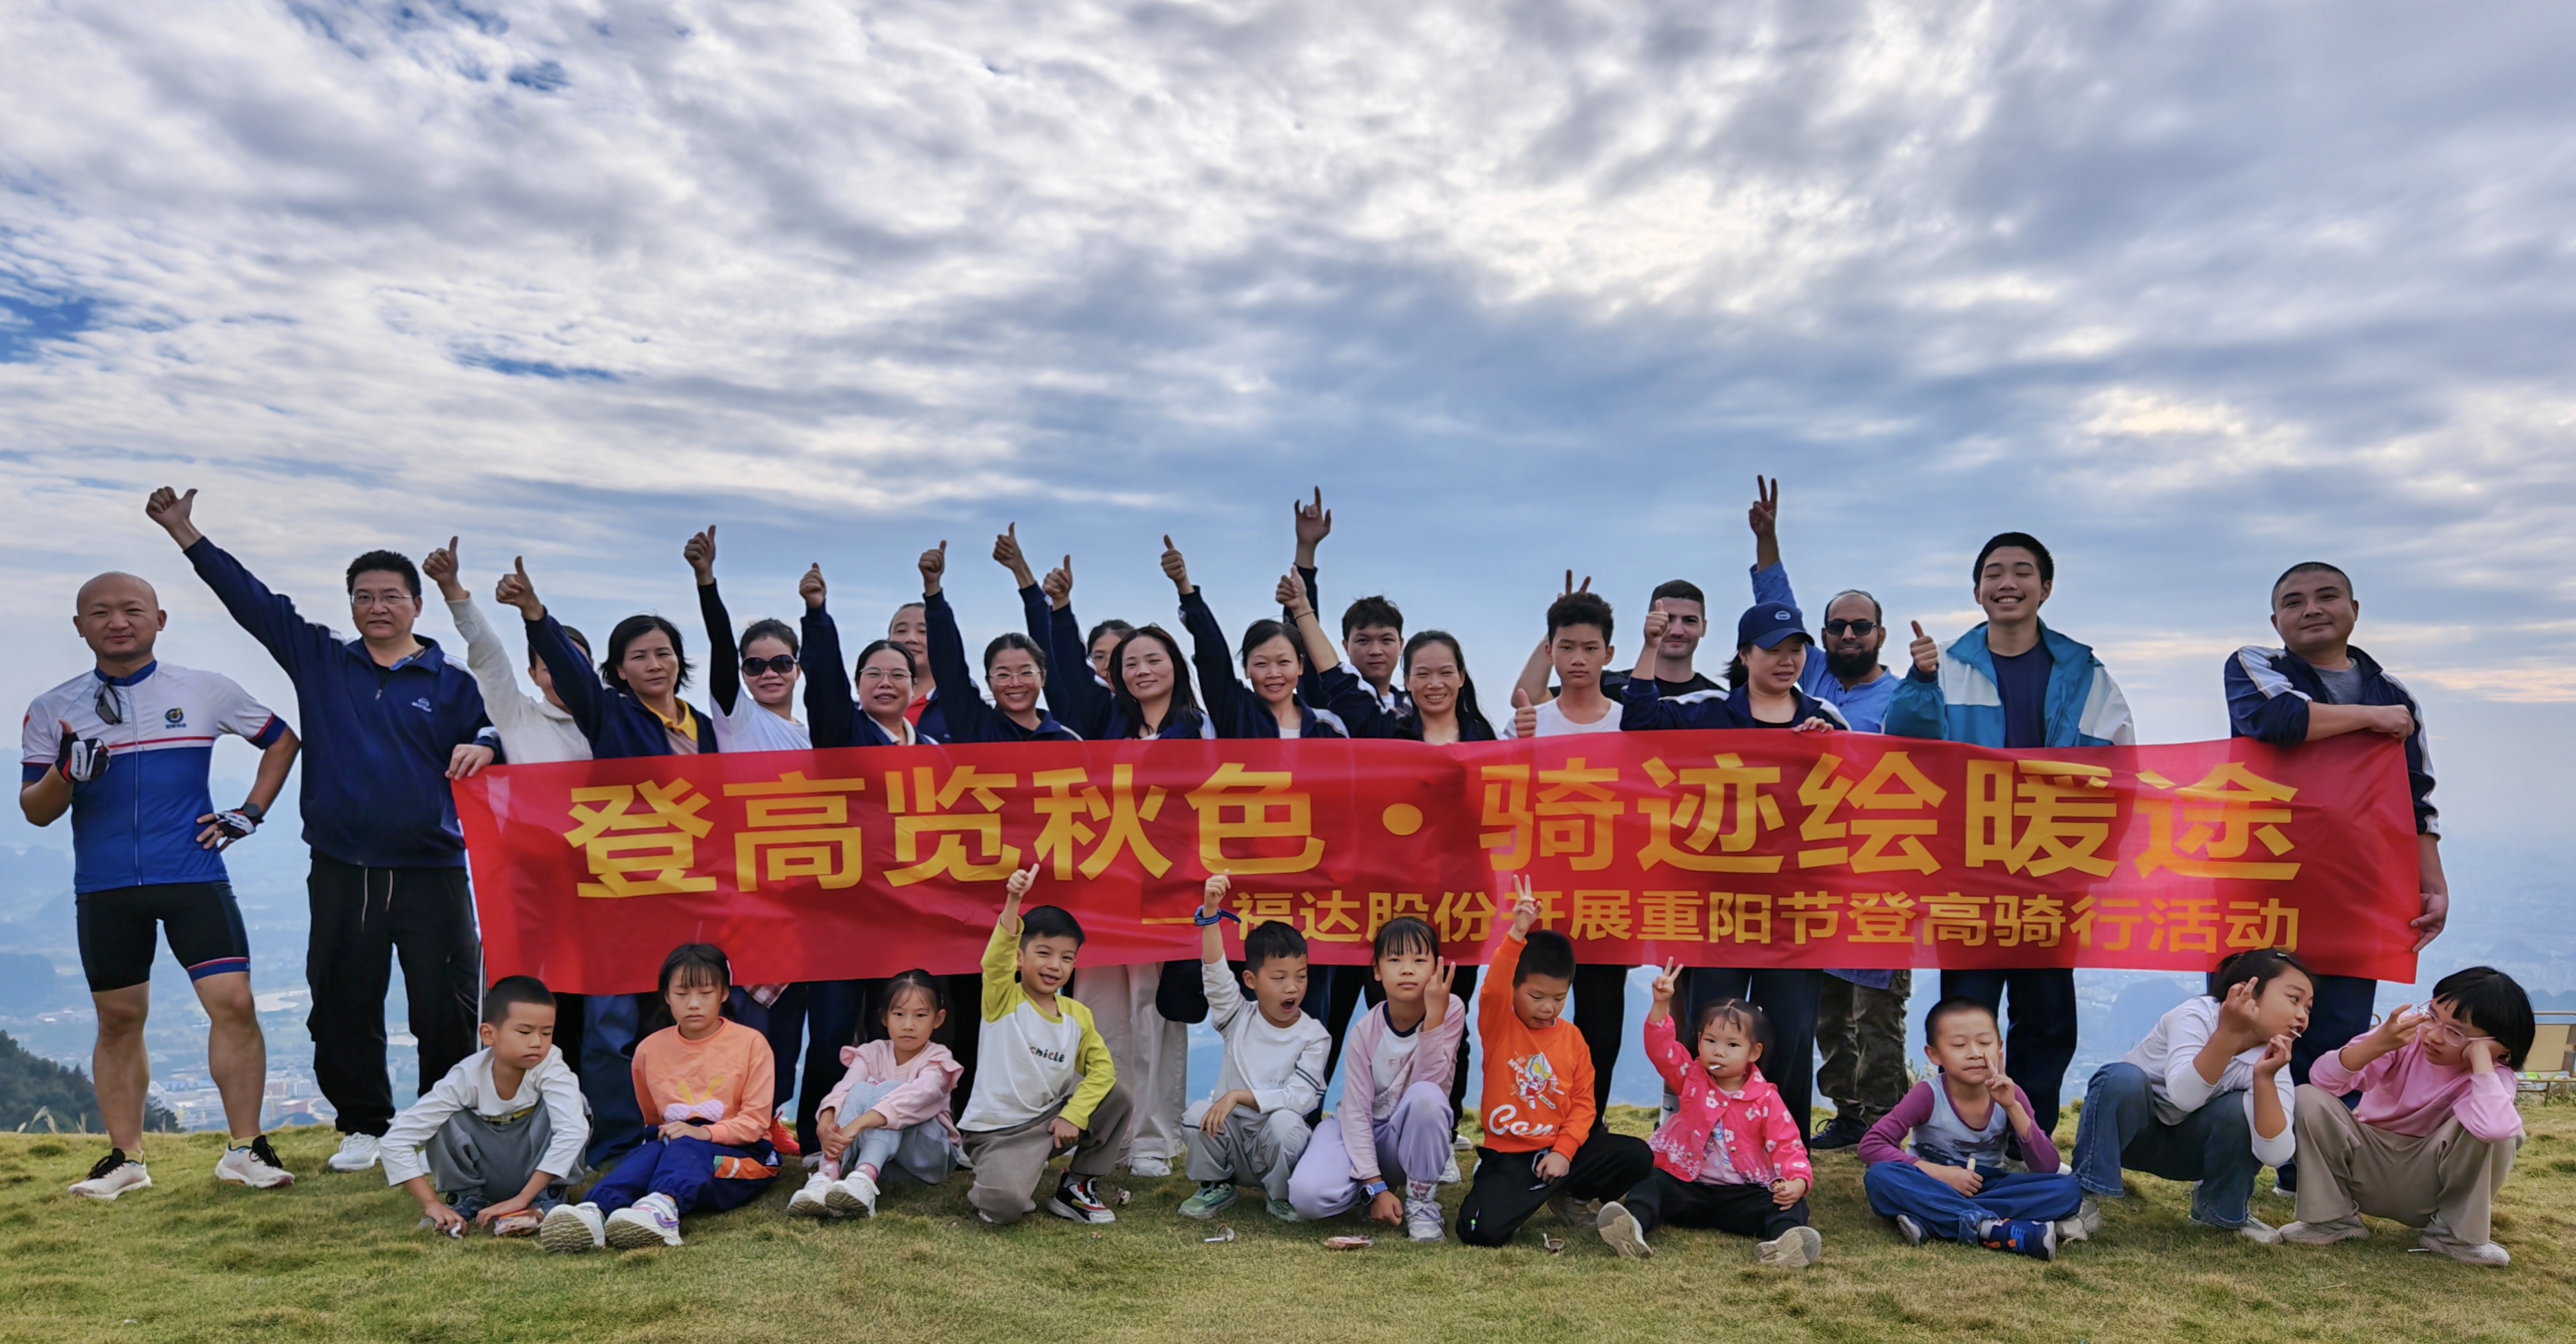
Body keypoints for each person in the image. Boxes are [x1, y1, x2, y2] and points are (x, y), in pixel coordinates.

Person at [147, 487, 495, 1176]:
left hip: (432, 868)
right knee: (341, 1000)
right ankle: (364, 1125)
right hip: (343, 865)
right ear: (351, 605)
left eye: (391, 595)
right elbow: (253, 602)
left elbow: (500, 725)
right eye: (363, 596)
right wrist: (186, 533)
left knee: (447, 1005)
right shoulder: (321, 660)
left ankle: (443, 1123)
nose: (377, 606)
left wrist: (485, 742)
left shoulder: (453, 682)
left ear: (416, 605)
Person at [29, 571, 301, 1200]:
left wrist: (250, 813)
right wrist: (65, 774)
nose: (117, 621)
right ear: (80, 627)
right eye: (101, 612)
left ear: (160, 620)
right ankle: (125, 1159)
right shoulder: (52, 709)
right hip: (107, 885)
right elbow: (36, 811)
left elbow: (282, 741)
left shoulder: (202, 689)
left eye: (132, 609)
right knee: (118, 1019)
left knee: (234, 1003)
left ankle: (245, 1149)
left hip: (193, 874)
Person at [1887, 532, 2134, 1136]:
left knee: (2047, 1016)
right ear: (1977, 590)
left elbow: (2120, 772)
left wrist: (2089, 860)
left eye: (2023, 571)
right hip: (1968, 874)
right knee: (1966, 1016)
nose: (2008, 583)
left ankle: (2031, 1139)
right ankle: (1961, 1139)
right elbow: (1905, 746)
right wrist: (1920, 682)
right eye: (1994, 572)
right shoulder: (1945, 665)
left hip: (2050, 873)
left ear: (2045, 588)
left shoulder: (2085, 673)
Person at [2225, 560, 2448, 1198]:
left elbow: (2415, 799)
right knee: (2253, 1024)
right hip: (2265, 882)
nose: (2312, 609)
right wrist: (2373, 723)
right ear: (2276, 621)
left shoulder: (2393, 692)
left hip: (2356, 888)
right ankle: (2231, 1172)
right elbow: (2277, 721)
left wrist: (2431, 883)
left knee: (2337, 1033)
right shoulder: (2255, 664)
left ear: (2354, 610)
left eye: (2327, 596)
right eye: (2294, 602)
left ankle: (2312, 1178)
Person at [495, 554, 723, 1167]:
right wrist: (536, 615)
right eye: (639, 656)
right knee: (610, 1026)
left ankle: (683, 1130)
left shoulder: (704, 727)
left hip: (689, 894)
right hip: (619, 894)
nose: (655, 664)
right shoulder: (612, 714)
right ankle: (617, 1143)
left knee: (680, 1018)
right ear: (618, 670)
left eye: (664, 653)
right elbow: (571, 676)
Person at [1621, 600, 1840, 1145]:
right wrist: (1649, 647)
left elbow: (1856, 804)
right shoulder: (1710, 711)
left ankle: (1786, 1152)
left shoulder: (1825, 719)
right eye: (1772, 650)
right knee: (1714, 1030)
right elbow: (1639, 725)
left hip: (1794, 909)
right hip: (1715, 907)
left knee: (1789, 1032)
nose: (1786, 660)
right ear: (1745, 655)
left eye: (1796, 650)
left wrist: (1830, 752)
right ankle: (1707, 1144)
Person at [2281, 967, 2531, 1266]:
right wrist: (2377, 1044)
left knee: (2504, 1128)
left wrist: (2482, 1061)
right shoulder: (2406, 1038)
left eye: (2455, 1032)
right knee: (2307, 1098)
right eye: (2433, 1016)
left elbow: (2496, 1130)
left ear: (2498, 1046)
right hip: (2368, 1162)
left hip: (2431, 1182)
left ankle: (2455, 1236)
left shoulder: (2493, 1078)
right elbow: (2323, 1080)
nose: (2434, 1035)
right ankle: (2330, 1220)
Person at [1496, 588, 1634, 1122]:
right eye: (1568, 647)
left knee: (1602, 1022)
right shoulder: (1529, 721)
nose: (1579, 659)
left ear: (1609, 654)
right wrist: (1521, 750)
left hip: (1610, 895)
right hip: (1541, 896)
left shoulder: (1630, 723)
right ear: (1549, 651)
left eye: (1590, 648)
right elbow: (1496, 800)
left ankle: (1587, 1129)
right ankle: (1523, 1124)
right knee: (1531, 1014)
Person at [1456, 879, 1655, 1249]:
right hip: (1510, 1156)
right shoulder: (1500, 1026)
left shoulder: (1573, 1039)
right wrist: (1517, 933)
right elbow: (1493, 989)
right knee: (1479, 1232)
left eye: (1559, 998)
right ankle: (1515, 1192)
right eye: (1536, 997)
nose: (1548, 1008)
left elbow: (1584, 1104)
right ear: (1515, 988)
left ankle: (1571, 1196)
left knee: (1637, 1156)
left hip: (1562, 1153)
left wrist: (1564, 1150)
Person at [542, 944, 780, 1252]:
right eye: (681, 994)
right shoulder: (649, 1050)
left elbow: (755, 1123)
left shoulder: (752, 1044)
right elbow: (653, 1119)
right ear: (666, 996)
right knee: (649, 1152)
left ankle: (663, 1208)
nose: (693, 1004)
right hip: (676, 1146)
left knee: (685, 1144)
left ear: (724, 993)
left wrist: (703, 1133)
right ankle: (595, 1212)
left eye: (705, 993)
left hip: (745, 1155)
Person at [2071, 949, 2308, 1243]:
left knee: (2239, 1110)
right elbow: (2184, 1096)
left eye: (2308, 1007)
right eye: (2294, 999)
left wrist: (2265, 1080)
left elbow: (2276, 1154)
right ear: (2246, 992)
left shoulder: (2271, 1059)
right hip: (2128, 1138)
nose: (2302, 1016)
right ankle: (2080, 1199)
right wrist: (2228, 1033)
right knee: (2122, 1078)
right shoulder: (2197, 1015)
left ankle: (2219, 1213)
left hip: (2191, 1154)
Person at [1595, 967, 1820, 1268]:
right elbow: (1662, 1051)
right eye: (1711, 1041)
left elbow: (1787, 1144)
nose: (1719, 1052)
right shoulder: (1690, 1078)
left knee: (1788, 1205)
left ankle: (1784, 1243)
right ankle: (1632, 1226)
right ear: (1699, 1041)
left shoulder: (1766, 1099)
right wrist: (1661, 1003)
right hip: (1689, 1188)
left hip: (1743, 1194)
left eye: (1732, 1045)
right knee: (1652, 1183)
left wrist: (1798, 1182)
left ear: (1754, 1052)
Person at [955, 866, 1136, 1226]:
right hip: (996, 1134)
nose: (1055, 965)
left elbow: (1103, 1071)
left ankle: (1077, 1186)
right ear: (1019, 958)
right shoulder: (1003, 999)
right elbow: (995, 960)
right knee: (1005, 1207)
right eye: (1044, 953)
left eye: (1067, 958)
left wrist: (1074, 1114)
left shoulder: (1078, 1015)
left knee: (1117, 1096)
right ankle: (1000, 1181)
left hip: (1048, 1125)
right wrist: (1014, 900)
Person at [1859, 998, 2084, 1260]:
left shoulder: (2011, 1094)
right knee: (1880, 1177)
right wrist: (1940, 1173)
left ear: (1999, 1048)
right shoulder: (1928, 1095)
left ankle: (1934, 1221)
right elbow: (1872, 1145)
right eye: (1958, 1045)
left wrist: (2012, 1107)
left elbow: (2047, 1165)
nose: (1975, 1053)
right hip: (1930, 1182)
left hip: (1987, 1185)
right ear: (1934, 1055)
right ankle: (1991, 1229)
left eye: (1985, 1043)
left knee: (2067, 1191)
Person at [1286, 916, 1466, 1241]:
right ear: (1377, 970)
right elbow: (1356, 1112)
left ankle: (1422, 1203)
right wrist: (1375, 1185)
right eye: (1395, 960)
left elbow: (1433, 1087)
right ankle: (1369, 1196)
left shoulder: (1449, 1009)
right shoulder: (1366, 1030)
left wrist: (1434, 1019)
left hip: (1408, 1137)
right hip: (1366, 1130)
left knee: (1426, 1097)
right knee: (1307, 1198)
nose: (1407, 970)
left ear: (1435, 968)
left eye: (1419, 960)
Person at [382, 976, 588, 1238]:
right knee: (445, 1115)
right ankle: (467, 1199)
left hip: (536, 1175)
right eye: (525, 1032)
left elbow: (573, 1131)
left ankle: (547, 1198)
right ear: (489, 1035)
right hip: (486, 1170)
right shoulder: (465, 1078)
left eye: (546, 1033)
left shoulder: (553, 1067)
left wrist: (523, 1198)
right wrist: (431, 1204)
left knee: (576, 1106)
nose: (537, 1042)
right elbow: (396, 1140)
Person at [1178, 876, 1331, 1223]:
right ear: (1251, 981)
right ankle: (1216, 1185)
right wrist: (1211, 915)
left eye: (1301, 976)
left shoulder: (1315, 1036)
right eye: (1279, 978)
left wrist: (1238, 1096)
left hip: (1275, 1145)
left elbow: (1300, 1098)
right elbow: (1216, 974)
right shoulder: (1237, 1016)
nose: (1292, 987)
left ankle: (1280, 1195)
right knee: (1196, 1114)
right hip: (1231, 1139)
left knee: (1286, 1125)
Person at [790, 969, 963, 1219]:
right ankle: (827, 1174)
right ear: (884, 1017)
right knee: (860, 1089)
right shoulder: (871, 1053)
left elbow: (917, 1095)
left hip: (926, 1161)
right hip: (889, 1165)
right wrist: (826, 1122)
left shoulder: (939, 1059)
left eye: (920, 1015)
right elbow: (845, 1088)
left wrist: (858, 1124)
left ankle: (864, 1179)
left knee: (889, 1091)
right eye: (899, 1014)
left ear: (938, 1019)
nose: (908, 1025)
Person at [1746, 476, 1901, 732]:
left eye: (1861, 627)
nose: (1848, 635)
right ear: (1824, 636)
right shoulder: (1817, 671)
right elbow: (1779, 610)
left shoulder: (1901, 698)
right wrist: (1766, 539)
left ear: (1881, 636)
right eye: (1837, 627)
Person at [424, 537, 591, 764]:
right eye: (550, 669)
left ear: (592, 666)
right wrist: (451, 586)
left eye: (578, 664)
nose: (566, 676)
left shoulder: (620, 715)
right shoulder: (516, 716)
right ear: (533, 675)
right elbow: (488, 654)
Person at [1169, 538, 1349, 739]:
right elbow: (1213, 657)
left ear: (1300, 666)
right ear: (1246, 669)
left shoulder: (1329, 727)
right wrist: (1186, 589)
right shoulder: (1236, 715)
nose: (1273, 673)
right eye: (1261, 664)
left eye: (1284, 662)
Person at [682, 525, 809, 753]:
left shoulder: (811, 739)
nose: (769, 674)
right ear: (741, 673)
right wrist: (705, 577)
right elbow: (722, 643)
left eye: (781, 663)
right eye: (755, 665)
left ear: (798, 670)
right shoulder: (737, 718)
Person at [800, 563, 932, 748]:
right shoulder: (843, 731)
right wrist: (817, 615)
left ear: (913, 686)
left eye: (898, 675)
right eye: (874, 674)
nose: (885, 683)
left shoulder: (932, 748)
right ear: (857, 683)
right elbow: (825, 679)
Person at [882, 598, 948, 741]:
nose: (911, 638)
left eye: (923, 631)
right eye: (901, 631)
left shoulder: (962, 706)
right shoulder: (867, 705)